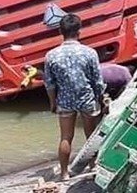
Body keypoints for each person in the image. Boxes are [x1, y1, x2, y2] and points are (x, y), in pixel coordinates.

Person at [44, 14, 105, 180]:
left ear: (60, 31)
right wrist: (100, 100)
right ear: (79, 31)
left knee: (65, 137)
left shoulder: (51, 55)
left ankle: (64, 173)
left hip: (65, 101)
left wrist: (52, 103)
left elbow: (49, 84)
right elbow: (97, 81)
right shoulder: (90, 53)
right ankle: (93, 167)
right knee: (91, 136)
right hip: (87, 99)